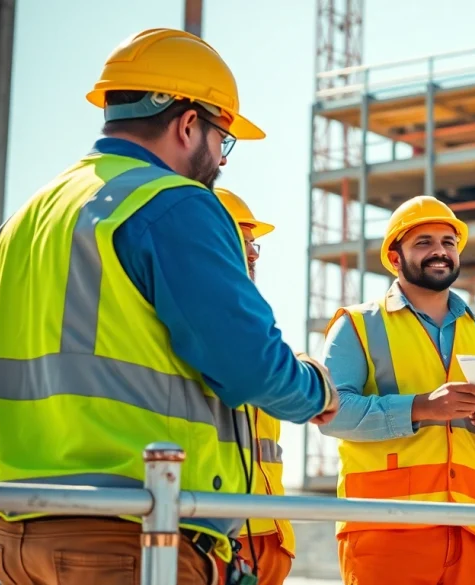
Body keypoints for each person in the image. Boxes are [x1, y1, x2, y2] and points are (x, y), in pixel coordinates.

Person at [0, 28, 337, 585]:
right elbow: (247, 366)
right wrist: (316, 390)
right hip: (132, 536)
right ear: (186, 123)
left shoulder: (24, 221)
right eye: (222, 140)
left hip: (15, 539)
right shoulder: (172, 203)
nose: (220, 161)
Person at [319, 195, 475, 585]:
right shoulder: (357, 325)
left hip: (472, 529)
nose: (440, 252)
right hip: (385, 527)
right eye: (424, 242)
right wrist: (421, 407)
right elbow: (329, 413)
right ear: (395, 257)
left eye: (448, 242)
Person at [214, 187, 296, 585]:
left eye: (253, 244)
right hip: (218, 529)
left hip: (269, 532)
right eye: (239, 239)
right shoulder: (197, 318)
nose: (250, 253)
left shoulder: (257, 319)